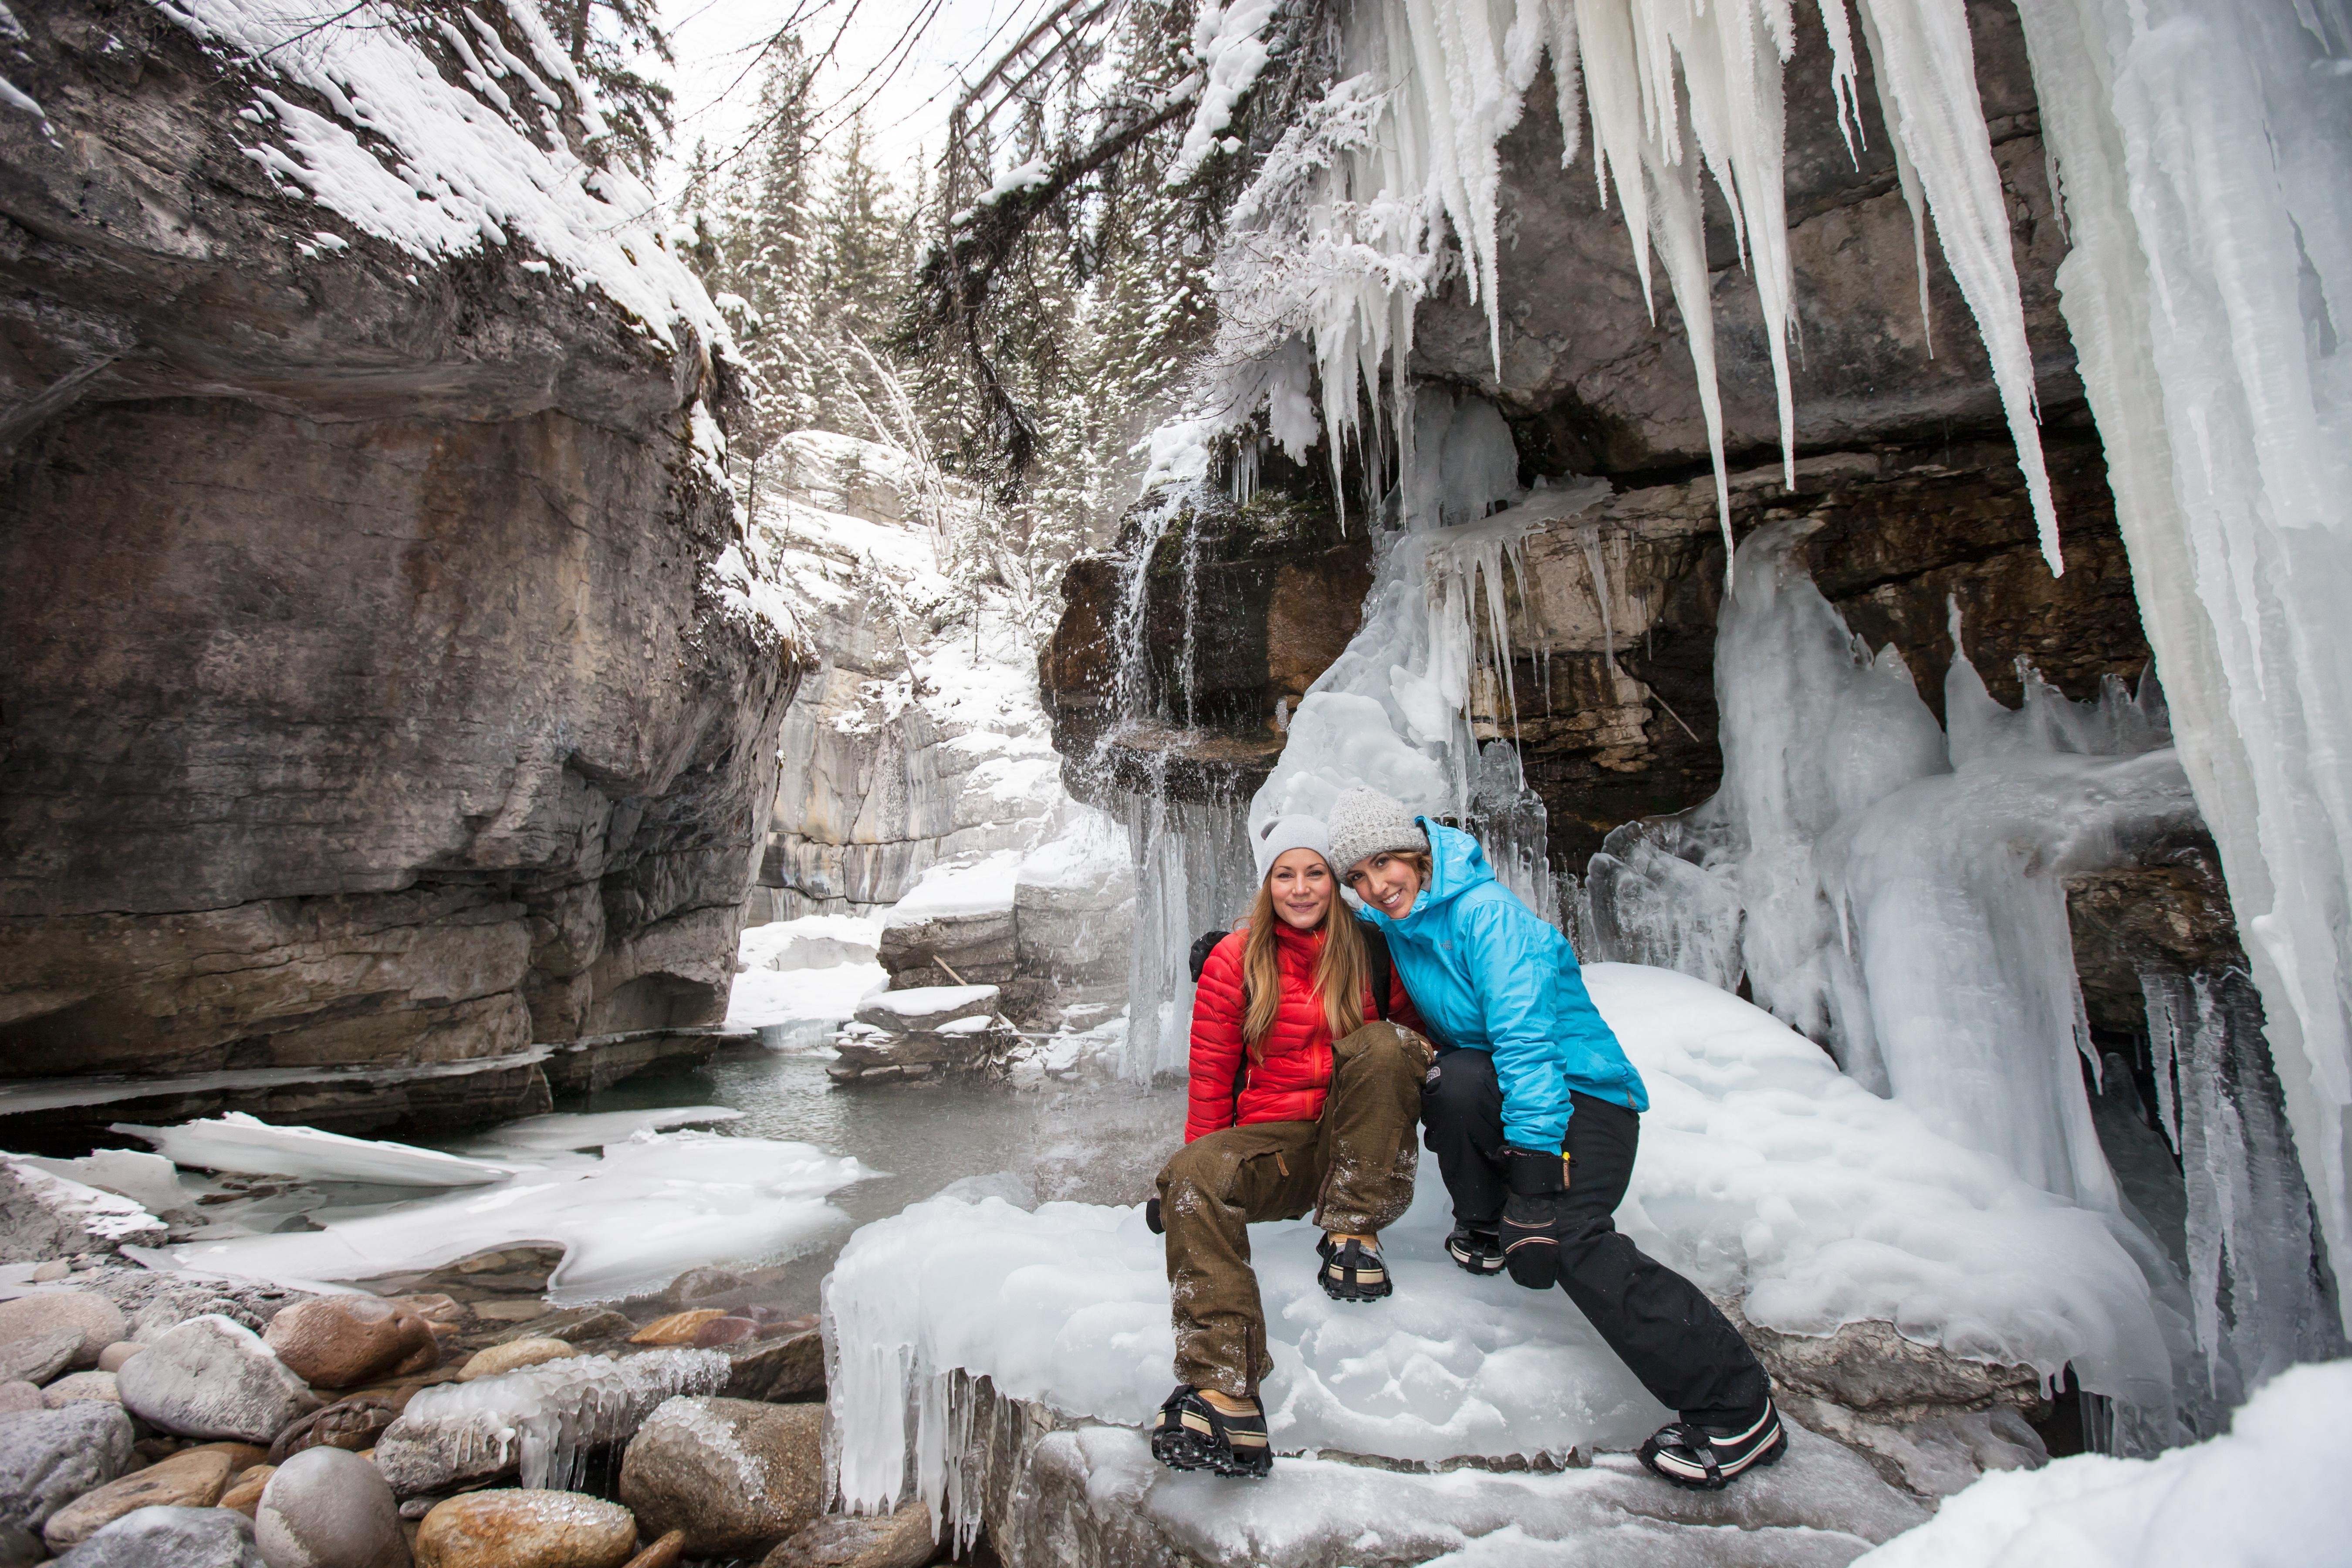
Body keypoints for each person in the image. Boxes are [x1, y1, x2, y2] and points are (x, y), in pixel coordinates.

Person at [1322, 786, 1784, 1490]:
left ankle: (1738, 1408)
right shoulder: (1406, 925)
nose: (1374, 886)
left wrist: (1536, 1184)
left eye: (1384, 863)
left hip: (1585, 1096)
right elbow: (1310, 929)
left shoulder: (1486, 917)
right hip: (1512, 1087)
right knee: (1454, 1077)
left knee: (1571, 1238)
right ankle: (1483, 1228)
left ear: (1415, 852)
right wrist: (1234, 946)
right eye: (1358, 876)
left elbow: (1528, 1045)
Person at [1147, 813, 1428, 1479]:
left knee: (1386, 1044)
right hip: (1276, 1149)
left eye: (1315, 874)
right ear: (1267, 883)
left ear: (1335, 882)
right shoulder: (1234, 959)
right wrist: (1191, 1184)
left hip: (1358, 1139)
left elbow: (1417, 1049)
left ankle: (1353, 1232)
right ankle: (1224, 1392)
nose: (1301, 889)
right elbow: (1212, 1080)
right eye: (1285, 875)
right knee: (1191, 1172)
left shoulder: (1373, 948)